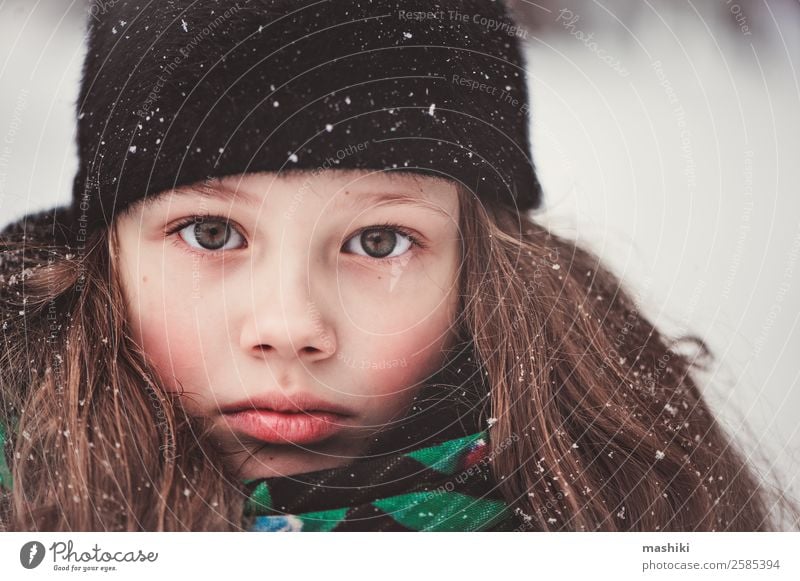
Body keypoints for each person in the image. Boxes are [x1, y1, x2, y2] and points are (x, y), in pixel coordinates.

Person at [0, 0, 788, 532]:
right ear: (105, 257)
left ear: (482, 267)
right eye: (210, 232)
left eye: (378, 242)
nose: (290, 327)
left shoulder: (622, 510)